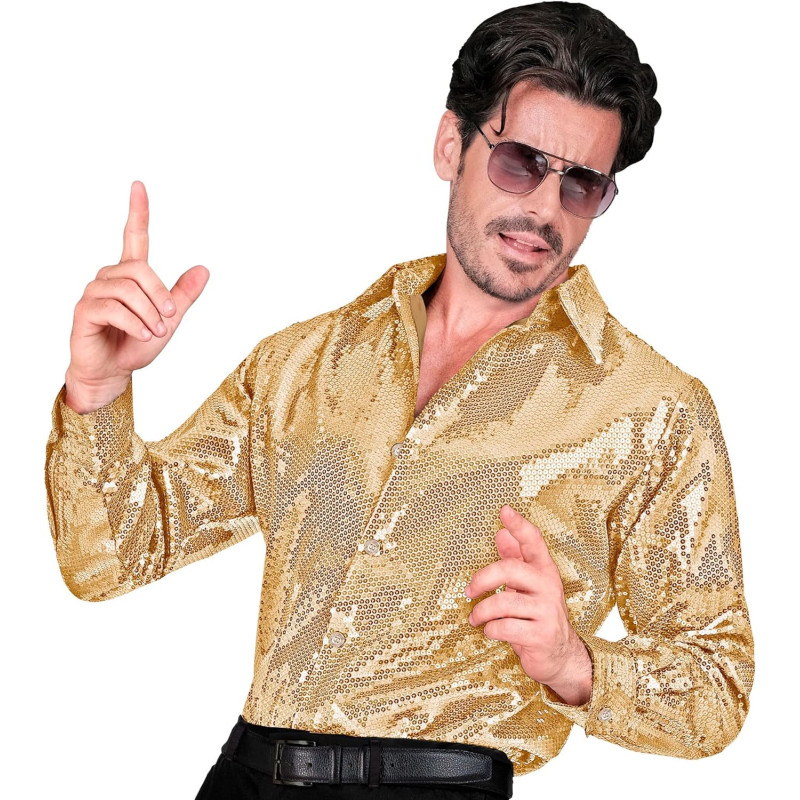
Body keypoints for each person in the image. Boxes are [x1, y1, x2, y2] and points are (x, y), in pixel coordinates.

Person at [44, 2, 755, 798]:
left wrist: (574, 663)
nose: (545, 210)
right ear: (452, 145)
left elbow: (716, 688)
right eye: (520, 162)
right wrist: (98, 391)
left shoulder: (652, 410)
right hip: (247, 775)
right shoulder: (306, 362)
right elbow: (111, 558)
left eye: (582, 184)